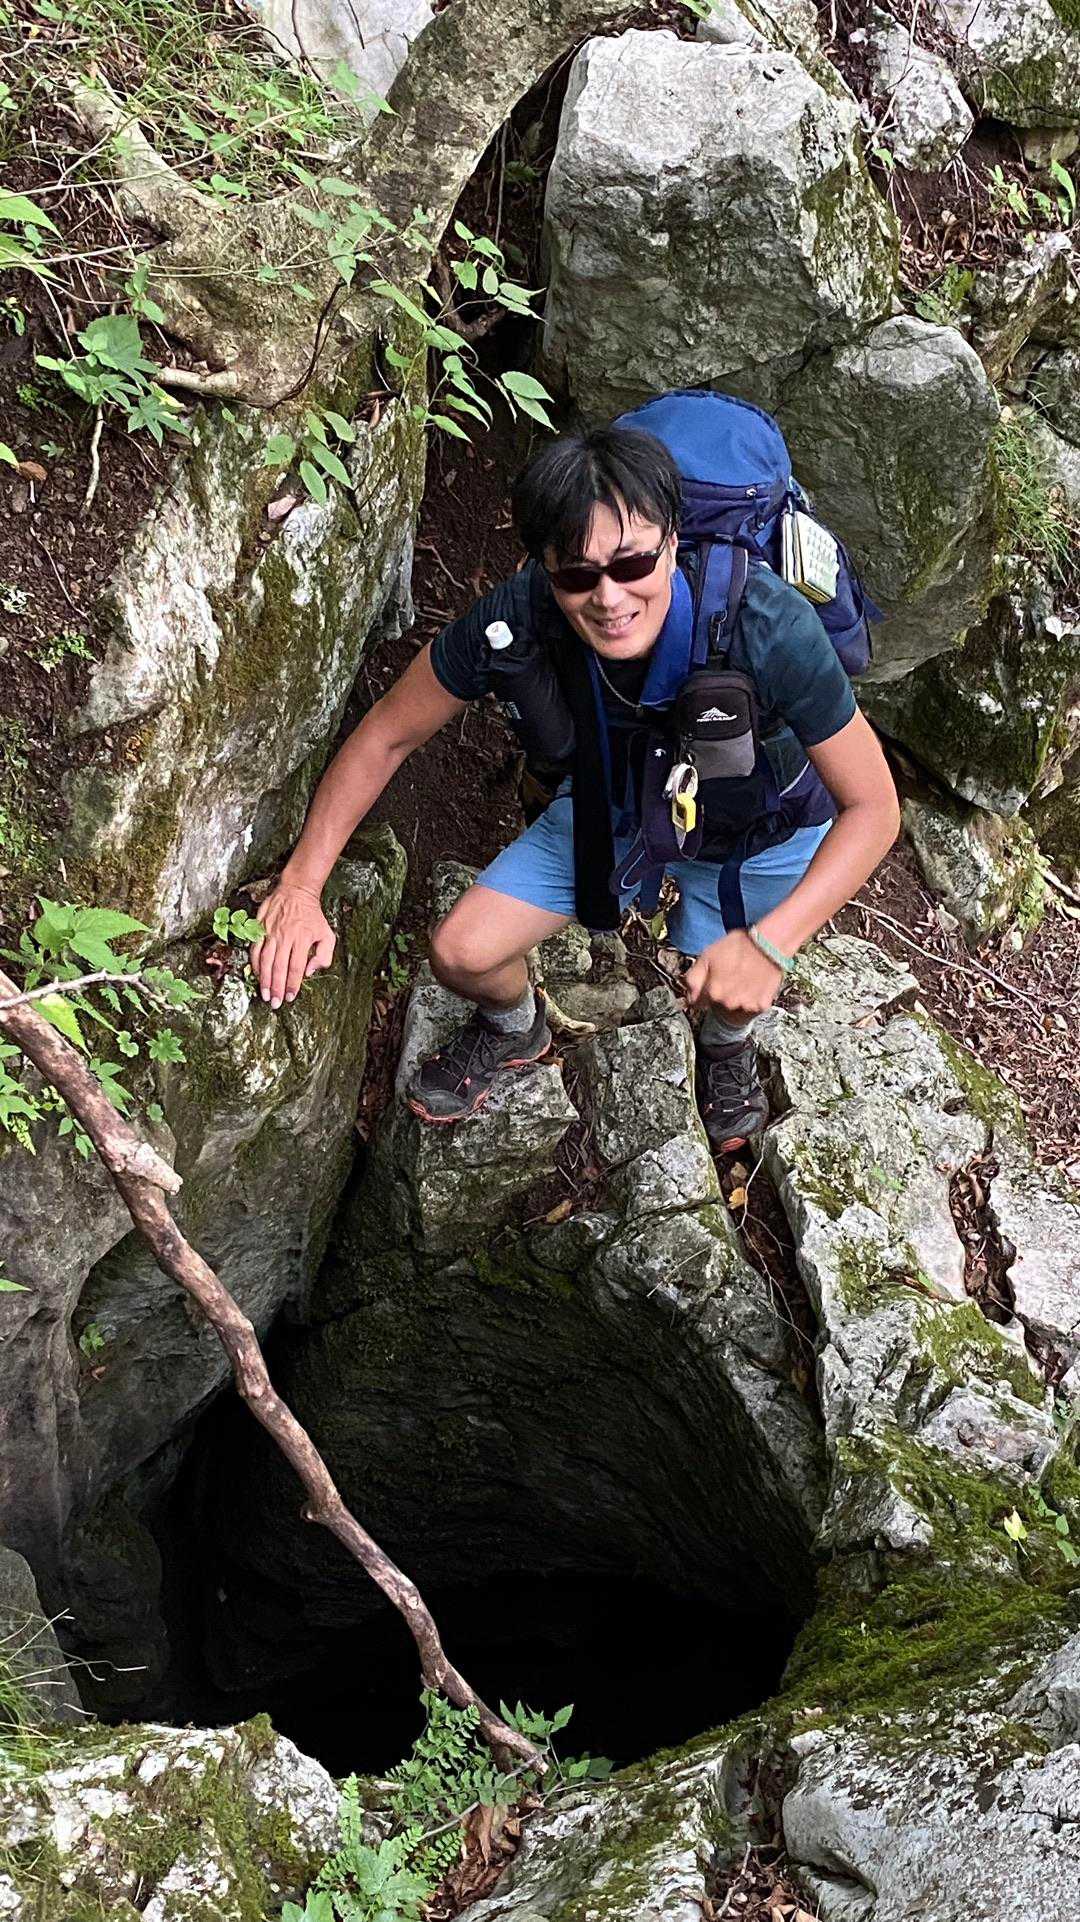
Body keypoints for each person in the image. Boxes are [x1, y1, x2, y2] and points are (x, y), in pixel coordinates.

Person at [251, 423, 900, 1150]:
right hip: (615, 803)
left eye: (633, 563)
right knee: (461, 953)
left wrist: (771, 947)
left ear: (673, 543)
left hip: (764, 828)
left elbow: (874, 808)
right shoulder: (521, 616)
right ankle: (513, 1025)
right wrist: (302, 886)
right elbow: (387, 734)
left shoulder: (767, 626)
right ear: (546, 568)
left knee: (738, 973)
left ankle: (725, 1043)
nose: (609, 598)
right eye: (577, 575)